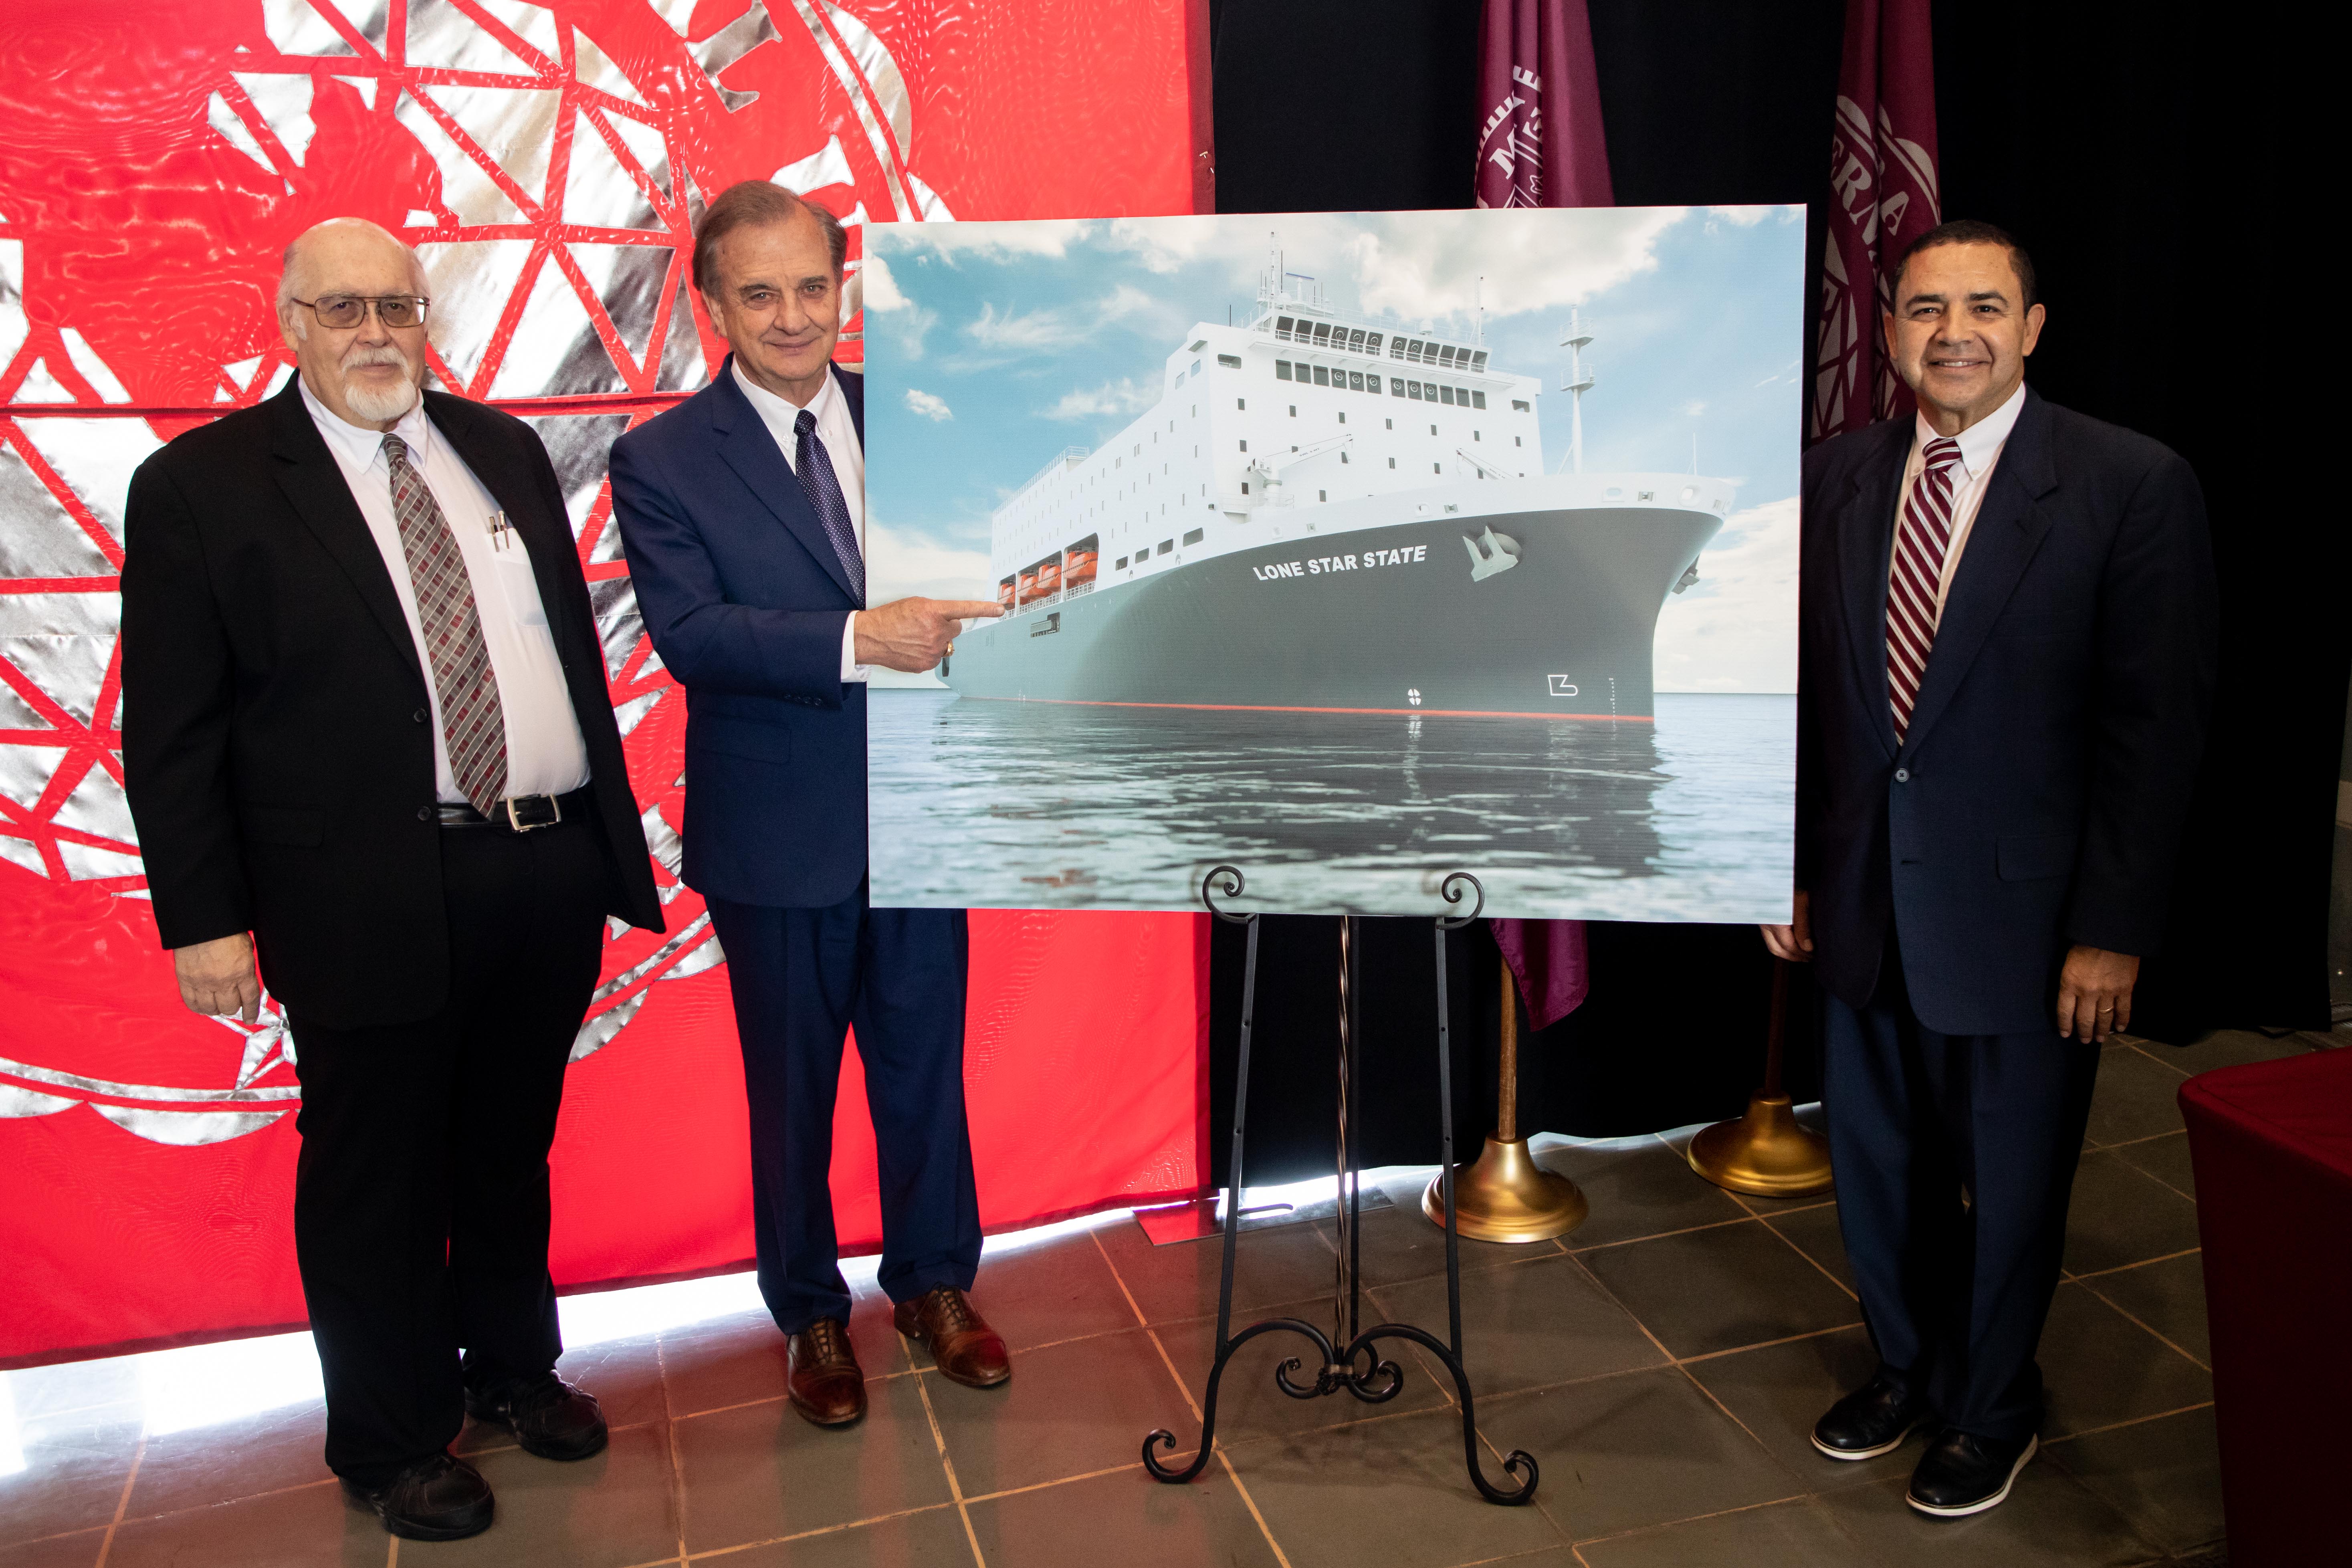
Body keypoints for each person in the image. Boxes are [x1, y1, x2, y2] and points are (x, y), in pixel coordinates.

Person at [120, 218, 664, 1542]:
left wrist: (598, 843)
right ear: (289, 321)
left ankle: (510, 1371)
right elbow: (172, 726)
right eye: (345, 307)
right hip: (355, 891)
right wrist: (204, 919)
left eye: (400, 307)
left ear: (431, 318)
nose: (377, 333)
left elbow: (557, 654)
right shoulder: (204, 484)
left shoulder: (504, 451)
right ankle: (387, 1435)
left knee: (504, 1148)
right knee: (375, 1174)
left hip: (540, 864)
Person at [1762, 220, 2215, 1518]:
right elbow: (1809, 707)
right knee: (1880, 1166)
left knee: (2012, 1183)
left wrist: (2113, 928)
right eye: (1922, 307)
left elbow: (2155, 730)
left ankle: (1993, 1407)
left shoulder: (2130, 485)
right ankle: (1906, 1369)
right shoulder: (1837, 479)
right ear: (1892, 329)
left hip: (2029, 923)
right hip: (1857, 905)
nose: (1950, 330)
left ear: (2031, 326)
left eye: (1982, 305)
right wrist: (1786, 867)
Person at [608, 182, 1011, 1428]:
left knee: (926, 1074)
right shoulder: (663, 457)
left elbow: (988, 579)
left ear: (846, 286)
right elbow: (692, 633)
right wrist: (857, 638)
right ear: (711, 301)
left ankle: (938, 1286)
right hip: (777, 835)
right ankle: (812, 1315)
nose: (792, 317)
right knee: (790, 1094)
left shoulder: (923, 423)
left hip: (920, 815)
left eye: (812, 287)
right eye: (760, 293)